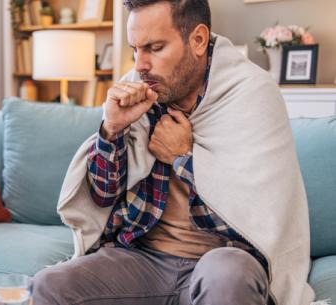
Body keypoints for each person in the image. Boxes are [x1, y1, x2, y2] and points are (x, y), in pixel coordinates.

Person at [32, 1, 315, 304]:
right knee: (49, 285)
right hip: (144, 260)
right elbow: (102, 199)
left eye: (154, 48)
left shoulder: (252, 93)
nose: (140, 65)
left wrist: (183, 158)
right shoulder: (135, 90)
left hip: (221, 260)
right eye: (135, 49)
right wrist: (110, 131)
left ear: (198, 40)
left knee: (227, 276)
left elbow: (257, 220)